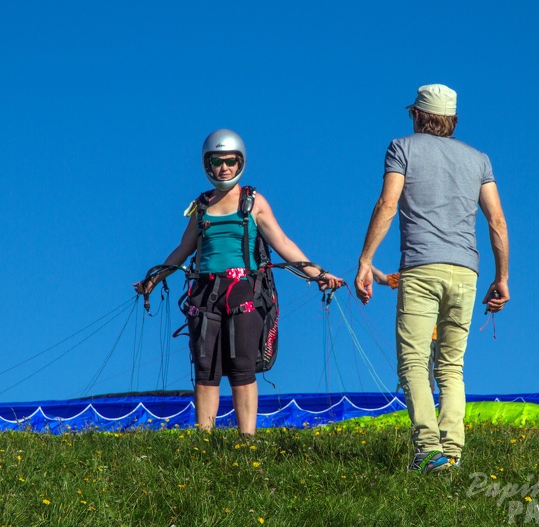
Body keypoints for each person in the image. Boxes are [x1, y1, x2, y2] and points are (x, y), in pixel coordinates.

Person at [135, 129, 342, 435]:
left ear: (240, 162)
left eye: (230, 161)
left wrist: (320, 274)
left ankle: (247, 442)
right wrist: (154, 279)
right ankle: (202, 442)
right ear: (208, 164)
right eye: (217, 162)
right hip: (204, 293)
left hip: (245, 291)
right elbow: (182, 250)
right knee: (205, 370)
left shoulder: (253, 202)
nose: (224, 168)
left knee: (242, 368)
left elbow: (283, 242)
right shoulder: (201, 206)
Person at [355, 84, 509, 473]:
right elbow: (496, 220)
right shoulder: (480, 160)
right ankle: (453, 451)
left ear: (417, 115)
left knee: (412, 362)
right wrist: (502, 276)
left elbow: (388, 204)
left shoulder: (402, 148)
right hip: (467, 272)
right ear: (453, 119)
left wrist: (365, 260)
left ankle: (427, 449)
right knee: (452, 366)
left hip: (422, 269)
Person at [372, 266, 437, 393]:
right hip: (439, 334)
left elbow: (380, 279)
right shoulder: (436, 273)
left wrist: (367, 264)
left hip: (425, 333)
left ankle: (424, 399)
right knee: (446, 372)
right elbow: (381, 279)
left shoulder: (410, 274)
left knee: (419, 368)